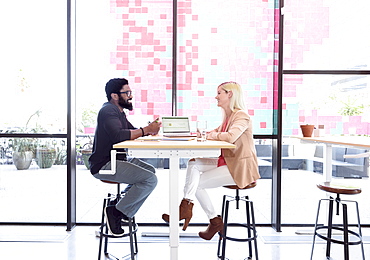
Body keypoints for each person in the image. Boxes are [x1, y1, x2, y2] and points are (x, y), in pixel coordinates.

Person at [162, 81, 260, 240]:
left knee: (198, 185)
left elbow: (230, 137)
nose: (216, 96)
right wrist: (202, 133)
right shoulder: (229, 116)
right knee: (193, 163)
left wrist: (209, 135)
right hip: (229, 161)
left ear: (230, 94)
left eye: (219, 93)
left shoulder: (241, 115)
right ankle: (186, 207)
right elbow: (215, 132)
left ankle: (213, 220)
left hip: (240, 167)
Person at [89, 78, 161, 236]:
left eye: (130, 92)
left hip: (117, 160)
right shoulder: (108, 110)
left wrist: (149, 130)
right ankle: (116, 212)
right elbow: (118, 136)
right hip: (105, 165)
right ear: (114, 96)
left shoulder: (119, 113)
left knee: (150, 170)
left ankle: (120, 204)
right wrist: (146, 129)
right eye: (127, 93)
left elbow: (132, 132)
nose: (130, 96)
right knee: (150, 180)